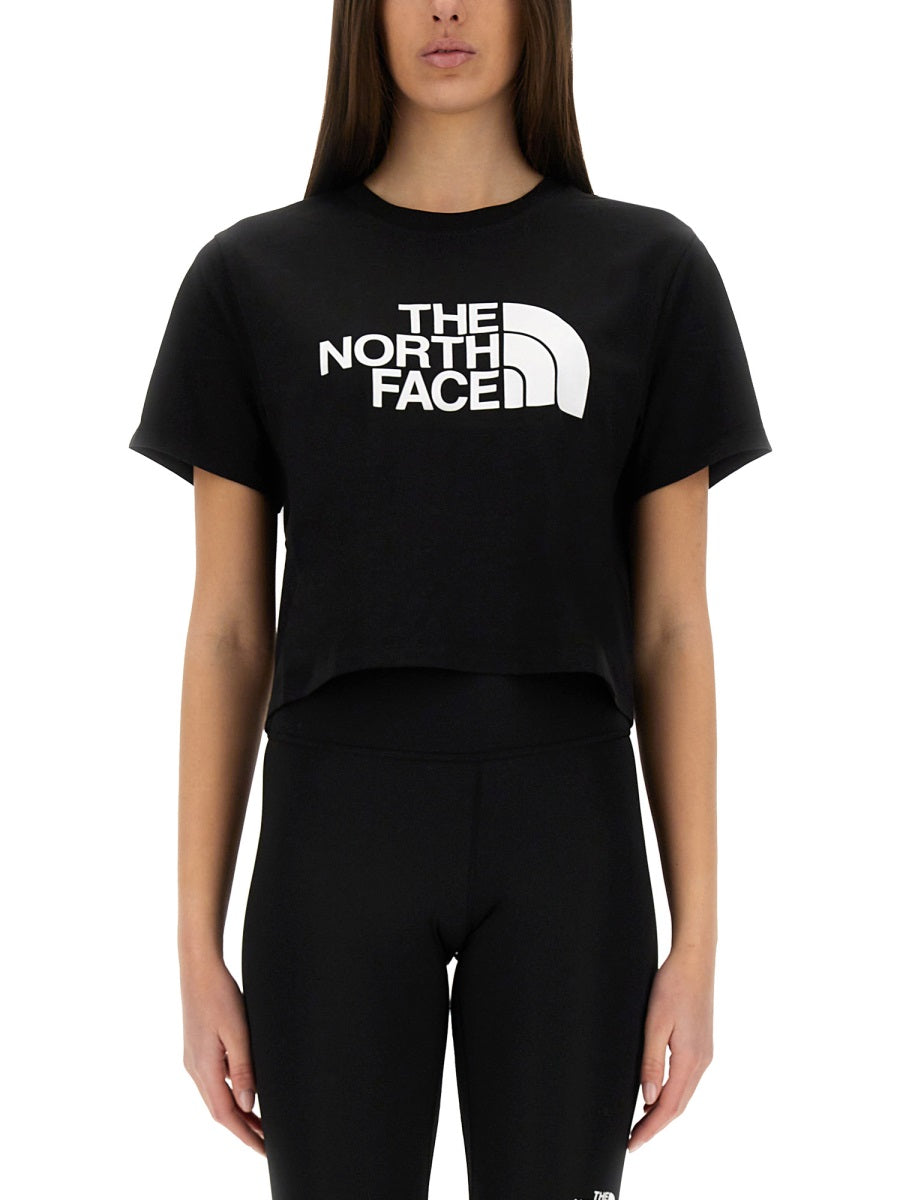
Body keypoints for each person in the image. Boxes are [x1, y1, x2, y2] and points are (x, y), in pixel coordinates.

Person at [128, 2, 772, 1197]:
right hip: (334, 835)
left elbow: (674, 626)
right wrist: (193, 946)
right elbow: (227, 632)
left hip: (570, 834)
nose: (445, 8)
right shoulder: (252, 278)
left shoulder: (651, 272)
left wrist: (699, 943)